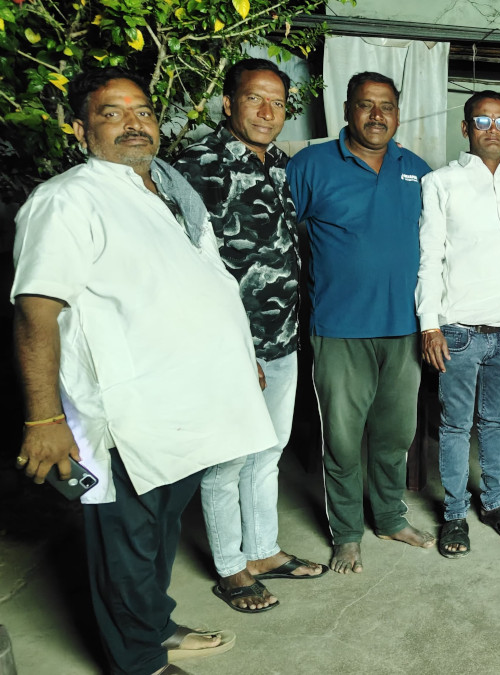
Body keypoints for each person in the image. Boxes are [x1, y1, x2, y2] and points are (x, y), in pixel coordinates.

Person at [12, 67, 277, 675]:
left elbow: (199, 286)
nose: (133, 124)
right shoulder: (66, 200)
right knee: (126, 537)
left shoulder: (165, 193)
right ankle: (137, 661)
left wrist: (239, 363)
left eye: (143, 112)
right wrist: (44, 419)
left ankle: (153, 624)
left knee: (159, 530)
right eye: (112, 113)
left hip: (185, 405)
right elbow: (36, 310)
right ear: (80, 130)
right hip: (123, 412)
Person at [175, 58, 327, 614]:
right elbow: (186, 266)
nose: (267, 112)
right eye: (254, 99)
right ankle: (230, 567)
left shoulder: (281, 165)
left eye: (277, 102)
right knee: (228, 459)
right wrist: (226, 347)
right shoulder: (198, 166)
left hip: (282, 336)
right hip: (229, 345)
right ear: (228, 103)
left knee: (268, 450)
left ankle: (262, 552)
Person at [287, 71, 435, 575]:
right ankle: (347, 534)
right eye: (366, 105)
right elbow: (277, 236)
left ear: (398, 113)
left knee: (395, 435)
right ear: (347, 109)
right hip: (339, 329)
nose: (377, 115)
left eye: (387, 106)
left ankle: (390, 517)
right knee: (343, 440)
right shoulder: (311, 165)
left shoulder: (416, 169)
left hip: (404, 329)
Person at [416, 90, 500, 558]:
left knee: (498, 422)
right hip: (458, 332)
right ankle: (454, 514)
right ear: (465, 128)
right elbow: (429, 258)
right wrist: (429, 325)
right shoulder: (441, 182)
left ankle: (495, 503)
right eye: (482, 121)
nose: (492, 129)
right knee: (455, 426)